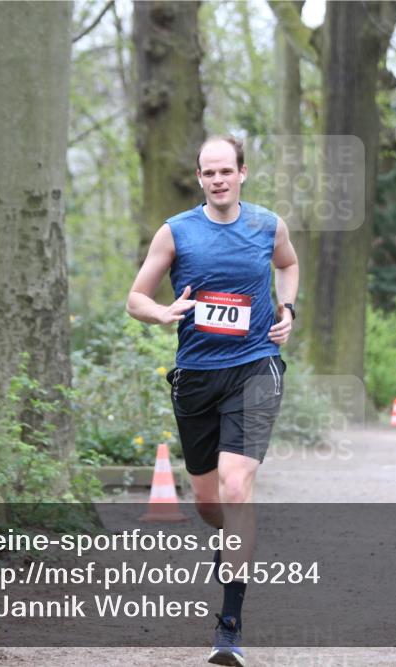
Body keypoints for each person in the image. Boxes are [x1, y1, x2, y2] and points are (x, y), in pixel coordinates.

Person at [126, 135, 299, 667]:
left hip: (254, 368)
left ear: (243, 173)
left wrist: (289, 309)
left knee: (236, 484)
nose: (218, 179)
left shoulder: (267, 225)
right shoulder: (176, 232)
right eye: (209, 172)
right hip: (197, 377)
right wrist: (160, 313)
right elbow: (136, 298)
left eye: (227, 170)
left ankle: (229, 629)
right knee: (210, 506)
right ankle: (234, 542)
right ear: (200, 178)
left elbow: (288, 265)